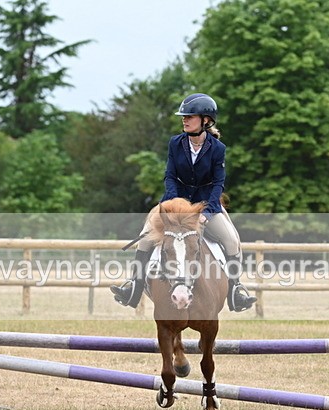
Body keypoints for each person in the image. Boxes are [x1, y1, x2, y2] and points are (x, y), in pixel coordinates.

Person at [110, 93, 257, 312]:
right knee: (146, 239)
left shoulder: (218, 149)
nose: (184, 120)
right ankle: (134, 286)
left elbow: (218, 184)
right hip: (174, 204)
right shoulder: (175, 143)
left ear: (206, 120)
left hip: (207, 206)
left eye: (190, 116)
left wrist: (207, 213)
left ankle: (235, 290)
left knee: (231, 241)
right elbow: (170, 176)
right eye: (184, 116)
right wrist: (173, 203)